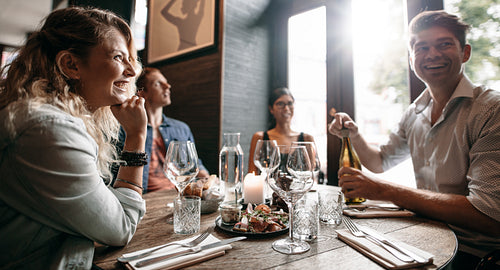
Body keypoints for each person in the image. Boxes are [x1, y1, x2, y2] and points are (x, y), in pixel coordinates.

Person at [328, 10, 500, 269]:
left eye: (444, 44)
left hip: (475, 255)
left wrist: (384, 190)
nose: (432, 55)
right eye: (422, 47)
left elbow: (489, 213)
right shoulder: (414, 112)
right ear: (411, 59)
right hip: (426, 240)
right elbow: (380, 162)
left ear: (465, 52)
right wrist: (354, 134)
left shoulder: (490, 110)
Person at [0, 7, 148, 269]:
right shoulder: (49, 129)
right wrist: (136, 137)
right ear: (71, 64)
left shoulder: (59, 119)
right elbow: (120, 227)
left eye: (130, 60)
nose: (132, 71)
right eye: (118, 57)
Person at [114, 67, 209, 193]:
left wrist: (208, 179)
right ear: (142, 93)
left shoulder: (181, 128)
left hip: (178, 194)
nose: (167, 86)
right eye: (158, 83)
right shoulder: (124, 130)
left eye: (166, 82)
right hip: (144, 197)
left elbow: (195, 164)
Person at [248, 87, 315, 174]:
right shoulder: (260, 138)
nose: (286, 108)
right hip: (267, 187)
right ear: (271, 109)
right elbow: (252, 174)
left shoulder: (307, 139)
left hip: (298, 188)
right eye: (280, 104)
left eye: (290, 103)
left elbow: (312, 175)